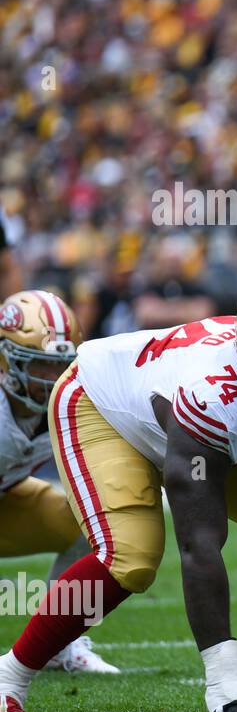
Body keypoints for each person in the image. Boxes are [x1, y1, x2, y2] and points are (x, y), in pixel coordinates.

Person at [0, 276, 237, 712]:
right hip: (104, 406)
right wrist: (225, 686)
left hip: (213, 427)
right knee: (131, 557)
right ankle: (9, 678)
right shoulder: (211, 393)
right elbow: (199, 545)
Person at [0, 290, 119, 677]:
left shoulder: (68, 402)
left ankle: (60, 641)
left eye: (59, 366)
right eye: (38, 365)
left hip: (8, 502)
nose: (51, 379)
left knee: (92, 522)